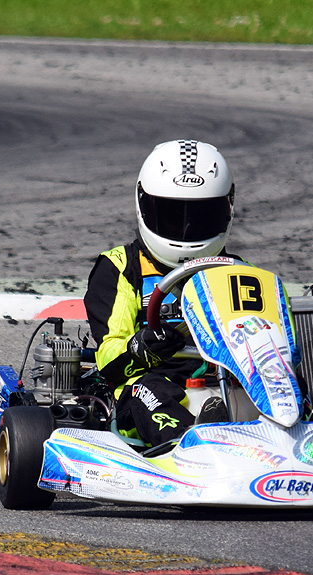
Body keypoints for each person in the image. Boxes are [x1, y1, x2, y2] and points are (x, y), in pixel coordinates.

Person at [84, 139, 240, 448]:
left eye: (201, 216)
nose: (185, 229)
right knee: (150, 390)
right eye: (172, 215)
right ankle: (193, 442)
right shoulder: (121, 267)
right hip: (148, 388)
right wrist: (140, 348)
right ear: (145, 205)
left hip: (226, 386)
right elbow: (109, 358)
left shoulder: (240, 273)